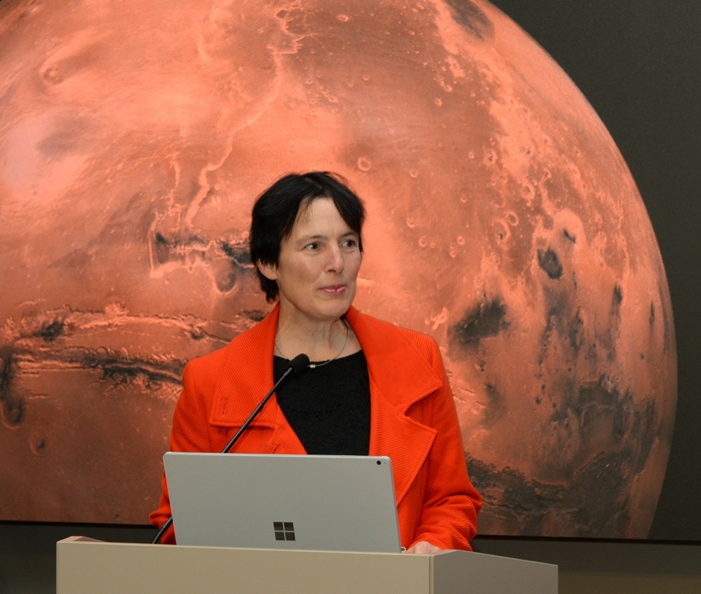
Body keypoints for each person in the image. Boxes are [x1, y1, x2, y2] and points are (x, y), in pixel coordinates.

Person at [150, 171, 482, 553]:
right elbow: (179, 526)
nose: (337, 262)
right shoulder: (209, 382)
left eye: (348, 243)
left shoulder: (416, 359)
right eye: (314, 246)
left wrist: (432, 546)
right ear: (268, 263)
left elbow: (450, 500)